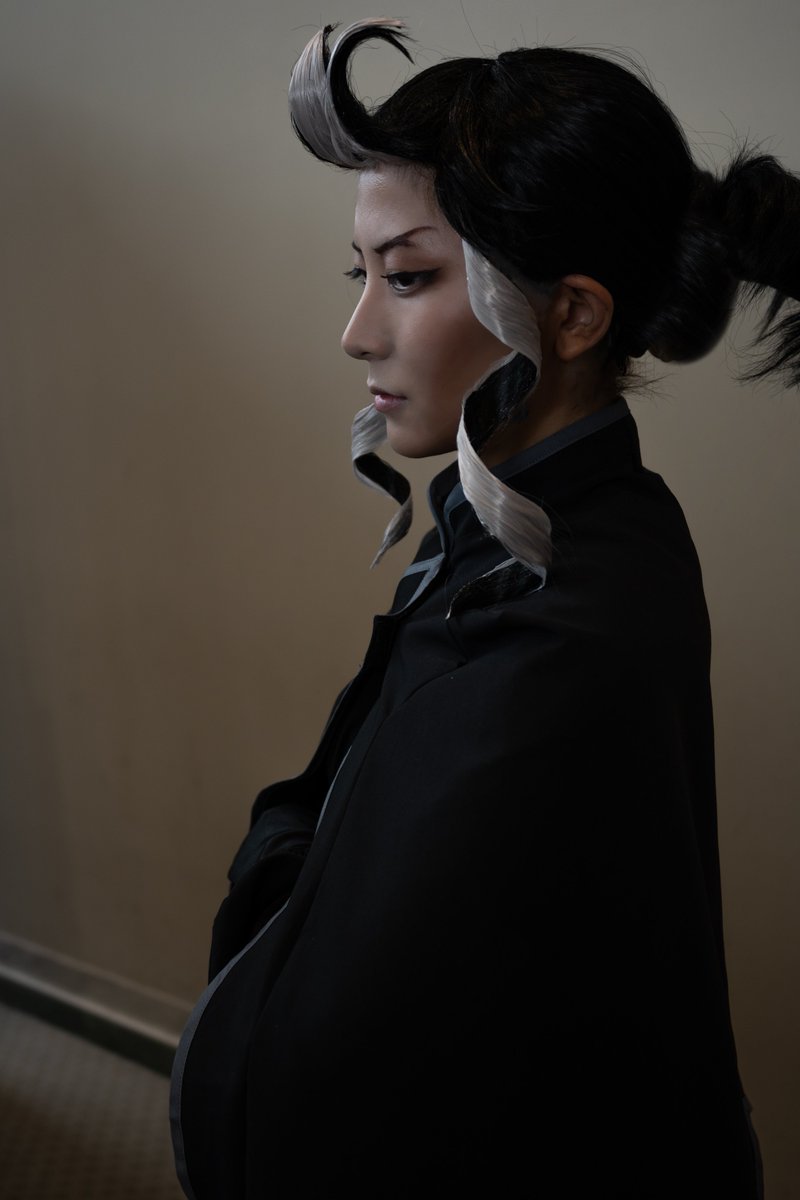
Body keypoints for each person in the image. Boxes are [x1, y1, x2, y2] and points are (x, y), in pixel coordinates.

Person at [170, 18, 798, 1198]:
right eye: (358, 273)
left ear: (572, 315)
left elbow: (363, 1041)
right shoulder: (547, 514)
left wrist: (277, 862)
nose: (356, 331)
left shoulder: (565, 628)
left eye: (407, 277)